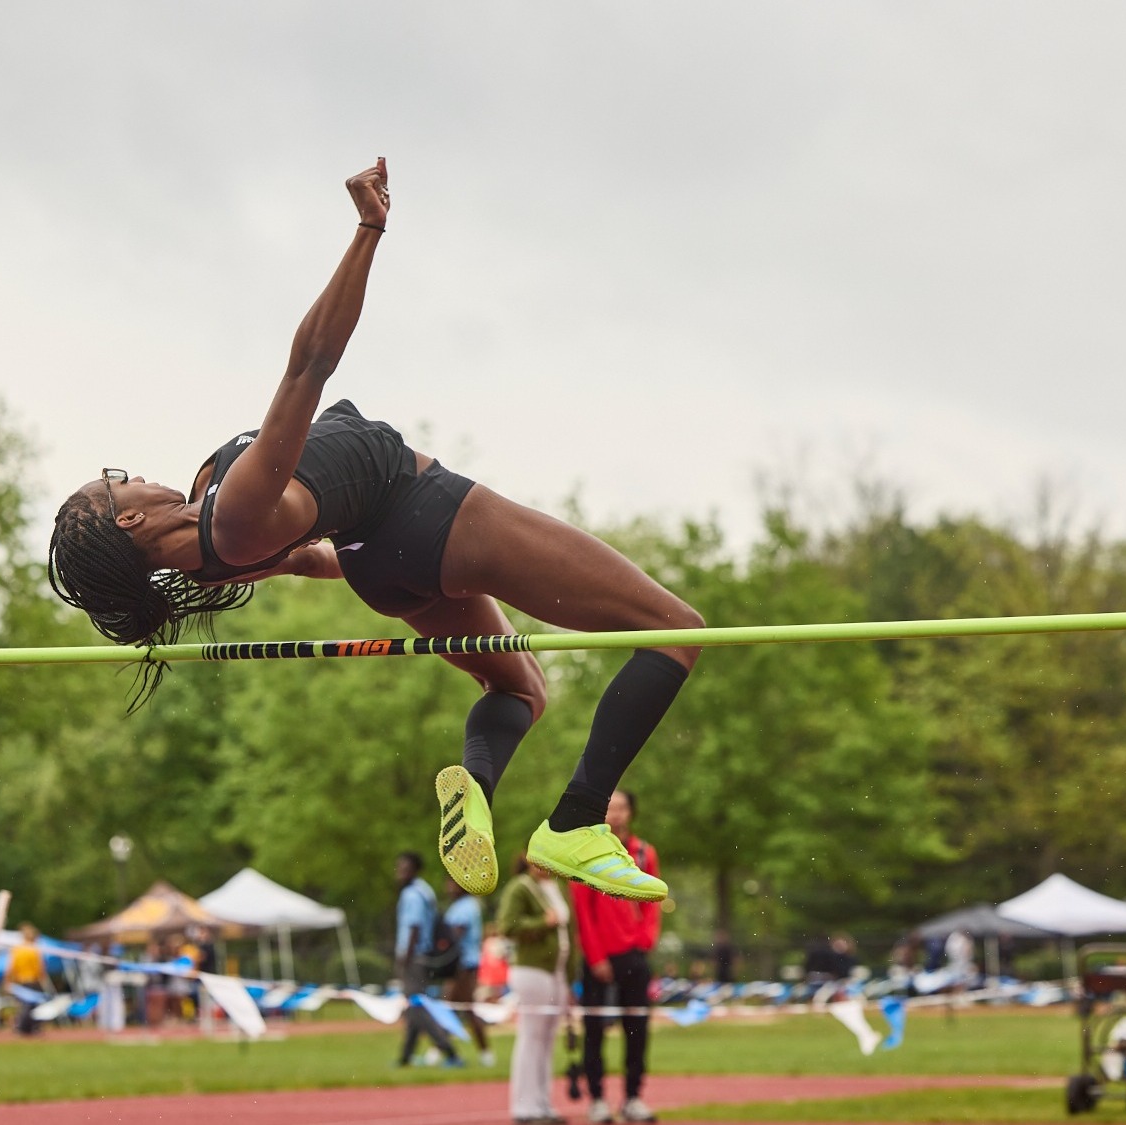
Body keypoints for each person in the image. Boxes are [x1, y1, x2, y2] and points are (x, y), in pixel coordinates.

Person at [45, 159, 700, 904]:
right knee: (674, 628)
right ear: (127, 516)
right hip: (431, 515)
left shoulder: (210, 541)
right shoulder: (233, 511)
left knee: (516, 684)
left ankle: (476, 793)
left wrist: (345, 561)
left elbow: (308, 560)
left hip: (379, 565)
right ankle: (579, 820)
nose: (130, 473)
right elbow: (310, 365)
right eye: (116, 481)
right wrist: (368, 228)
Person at [570, 790, 661, 1124]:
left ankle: (633, 1097)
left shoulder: (643, 852)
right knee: (593, 1030)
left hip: (634, 955)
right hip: (600, 958)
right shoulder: (585, 854)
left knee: (637, 1029)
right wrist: (596, 957)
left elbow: (653, 899)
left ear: (631, 813)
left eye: (622, 808)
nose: (616, 814)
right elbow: (583, 911)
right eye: (610, 808)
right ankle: (596, 1099)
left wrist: (645, 940)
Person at [497, 854, 573, 1125]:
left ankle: (542, 1103)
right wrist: (543, 923)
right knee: (531, 1036)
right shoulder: (521, 887)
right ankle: (524, 1107)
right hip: (532, 969)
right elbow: (507, 925)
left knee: (547, 1039)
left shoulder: (555, 887)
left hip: (556, 971)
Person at [392, 852, 460, 1068]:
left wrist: (405, 958)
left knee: (418, 1007)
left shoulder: (412, 894)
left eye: (404, 868)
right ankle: (406, 1057)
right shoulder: (424, 890)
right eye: (399, 867)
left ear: (414, 869)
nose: (400, 872)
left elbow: (414, 927)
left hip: (414, 957)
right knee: (414, 1007)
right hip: (422, 955)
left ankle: (449, 1051)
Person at [443, 879, 495, 1066]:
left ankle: (485, 1053)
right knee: (451, 1008)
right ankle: (443, 1049)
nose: (448, 887)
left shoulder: (466, 906)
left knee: (463, 1009)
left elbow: (455, 935)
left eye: (452, 884)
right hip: (459, 965)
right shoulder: (461, 905)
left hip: (464, 965)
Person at [6, 924, 49, 1036]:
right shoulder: (34, 949)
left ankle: (23, 1027)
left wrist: (8, 980)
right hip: (32, 981)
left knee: (23, 1005)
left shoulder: (17, 949)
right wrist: (43, 980)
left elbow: (11, 967)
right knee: (31, 1006)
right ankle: (27, 1028)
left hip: (20, 981)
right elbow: (40, 968)